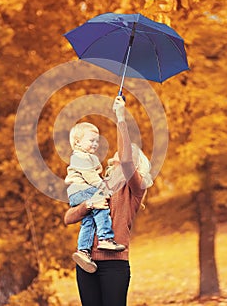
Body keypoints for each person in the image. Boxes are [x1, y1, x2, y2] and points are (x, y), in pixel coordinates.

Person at [64, 96, 153, 306]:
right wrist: (88, 205)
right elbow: (68, 217)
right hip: (86, 263)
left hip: (114, 265)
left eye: (129, 154)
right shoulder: (97, 183)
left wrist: (120, 116)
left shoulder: (135, 188)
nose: (120, 154)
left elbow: (126, 160)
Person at [65, 121, 126, 273]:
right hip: (82, 190)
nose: (95, 144)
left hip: (78, 192)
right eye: (91, 140)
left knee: (88, 220)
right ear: (78, 142)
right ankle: (105, 238)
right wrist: (104, 189)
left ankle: (83, 251)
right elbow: (91, 177)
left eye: (97, 141)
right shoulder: (80, 157)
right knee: (101, 204)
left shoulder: (85, 156)